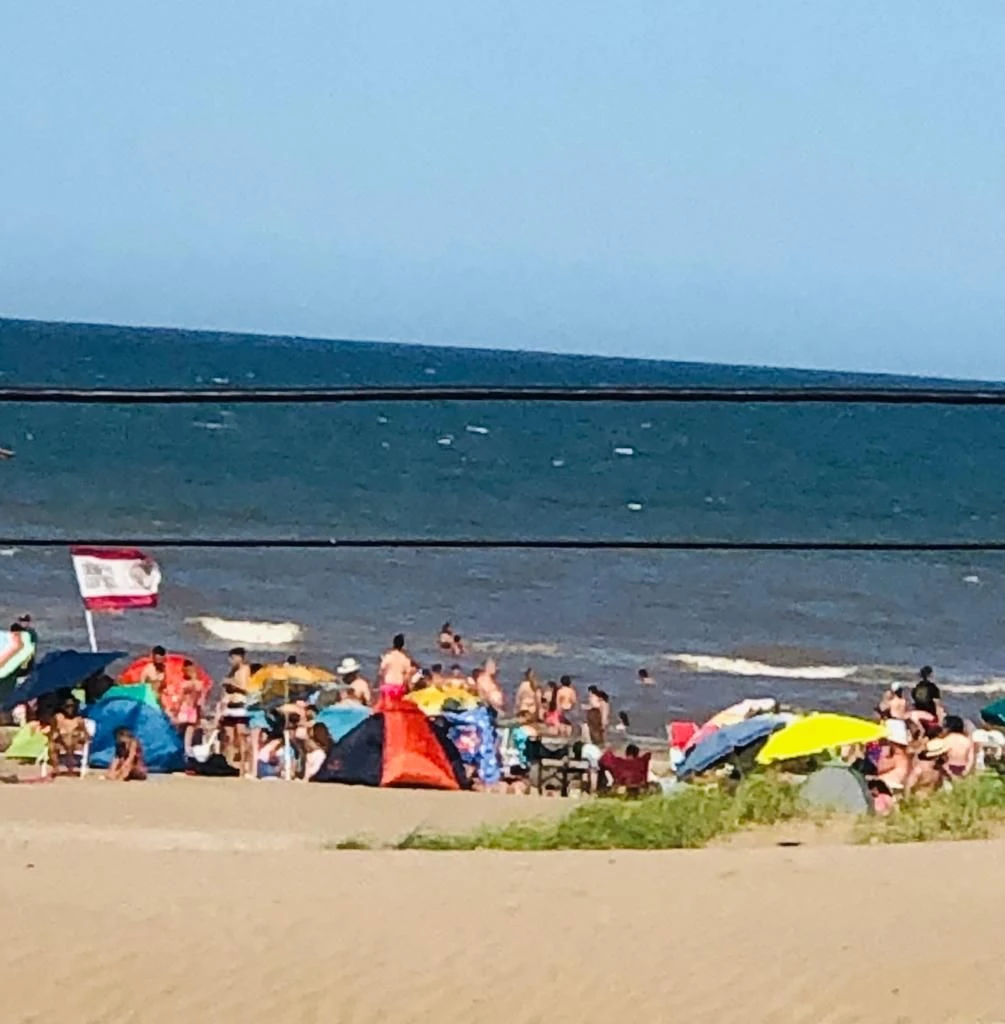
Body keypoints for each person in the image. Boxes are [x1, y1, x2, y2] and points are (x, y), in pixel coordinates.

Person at [220, 647, 252, 776]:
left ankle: (242, 768)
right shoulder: (232, 670)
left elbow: (245, 687)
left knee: (241, 737)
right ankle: (229, 763)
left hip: (240, 704)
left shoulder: (245, 669)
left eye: (234, 658)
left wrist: (231, 683)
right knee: (228, 737)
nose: (232, 661)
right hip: (230, 705)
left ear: (240, 658)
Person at [47, 696, 90, 776]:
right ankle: (56, 768)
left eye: (72, 706)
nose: (70, 709)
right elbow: (52, 731)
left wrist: (79, 736)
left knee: (69, 739)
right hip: (61, 741)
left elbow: (86, 734)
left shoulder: (78, 720)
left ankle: (70, 768)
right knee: (52, 745)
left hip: (74, 742)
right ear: (63, 707)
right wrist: (54, 736)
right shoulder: (58, 717)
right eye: (67, 706)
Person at [175, 659, 204, 756]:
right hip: (188, 708)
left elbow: (199, 696)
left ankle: (186, 751)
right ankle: (185, 751)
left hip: (189, 708)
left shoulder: (190, 683)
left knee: (186, 732)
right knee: (183, 731)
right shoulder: (187, 683)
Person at [379, 634, 412, 701]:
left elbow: (381, 673)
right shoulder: (405, 659)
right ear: (403, 645)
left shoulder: (388, 657)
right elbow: (407, 677)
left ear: (393, 643)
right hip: (399, 687)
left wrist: (381, 684)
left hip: (387, 686)